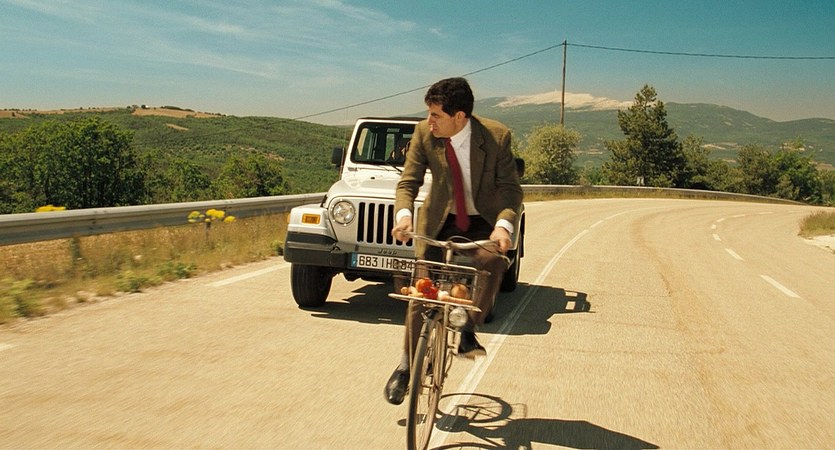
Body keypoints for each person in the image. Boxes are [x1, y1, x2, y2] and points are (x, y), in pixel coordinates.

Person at [385, 77, 523, 405]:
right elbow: (408, 182)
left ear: (459, 117)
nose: (429, 120)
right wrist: (403, 215)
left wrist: (503, 227)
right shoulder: (424, 133)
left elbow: (510, 190)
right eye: (428, 113)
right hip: (438, 221)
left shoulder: (496, 137)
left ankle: (467, 329)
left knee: (492, 262)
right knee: (421, 293)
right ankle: (405, 367)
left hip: (483, 223)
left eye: (436, 115)